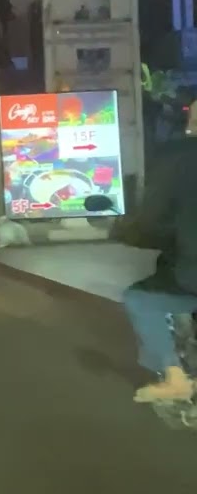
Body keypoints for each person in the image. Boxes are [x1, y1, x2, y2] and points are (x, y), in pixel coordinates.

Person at [117, 102, 197, 403]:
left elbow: (151, 218)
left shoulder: (178, 155)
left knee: (140, 297)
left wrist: (128, 232)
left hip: (191, 271)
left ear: (190, 124)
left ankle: (175, 377)